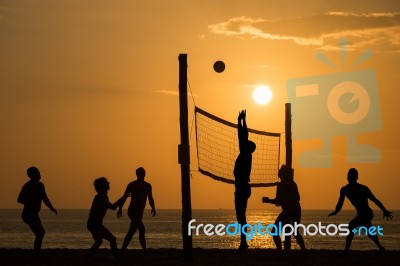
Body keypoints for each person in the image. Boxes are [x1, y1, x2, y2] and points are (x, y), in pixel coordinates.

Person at [329, 168, 393, 256]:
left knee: (352, 226)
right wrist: (336, 211)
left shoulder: (363, 188)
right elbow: (340, 203)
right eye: (348, 175)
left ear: (356, 177)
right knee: (366, 229)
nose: (349, 177)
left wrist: (384, 210)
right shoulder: (344, 189)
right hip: (360, 214)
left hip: (367, 213)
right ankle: (381, 248)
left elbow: (375, 200)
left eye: (351, 176)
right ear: (347, 177)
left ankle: (346, 251)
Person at [262, 165, 306, 253]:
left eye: (281, 170)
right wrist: (270, 200)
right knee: (276, 232)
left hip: (294, 210)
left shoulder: (291, 184)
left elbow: (297, 198)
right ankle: (281, 252)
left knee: (294, 232)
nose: (279, 171)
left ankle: (303, 252)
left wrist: (270, 200)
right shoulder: (280, 185)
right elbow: (278, 201)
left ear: (285, 173)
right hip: (287, 211)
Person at [17, 166, 57, 257]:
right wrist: (29, 201)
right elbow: (19, 199)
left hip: (33, 214)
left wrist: (51, 208)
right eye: (38, 172)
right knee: (40, 233)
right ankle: (36, 254)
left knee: (40, 233)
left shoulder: (40, 185)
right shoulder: (28, 185)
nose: (40, 174)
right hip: (28, 214)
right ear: (33, 175)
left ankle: (36, 253)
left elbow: (45, 198)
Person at [117, 167, 156, 254]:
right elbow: (124, 197)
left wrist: (153, 207)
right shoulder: (131, 185)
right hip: (132, 211)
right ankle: (144, 250)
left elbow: (150, 198)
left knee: (132, 230)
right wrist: (120, 209)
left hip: (139, 212)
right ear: (137, 174)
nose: (142, 175)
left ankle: (123, 250)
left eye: (143, 173)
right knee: (141, 229)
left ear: (145, 174)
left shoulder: (147, 186)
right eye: (140, 173)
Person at [234, 110, 256, 253]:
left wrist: (241, 121)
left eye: (245, 143)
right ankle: (243, 242)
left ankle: (244, 243)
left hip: (243, 188)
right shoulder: (246, 154)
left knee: (241, 216)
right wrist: (241, 121)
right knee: (241, 216)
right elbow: (243, 136)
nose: (243, 143)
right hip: (242, 188)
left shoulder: (246, 154)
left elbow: (243, 135)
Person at [87, 177, 127, 256]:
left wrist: (123, 198)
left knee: (100, 241)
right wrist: (124, 197)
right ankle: (116, 257)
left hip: (96, 224)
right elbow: (113, 207)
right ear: (102, 186)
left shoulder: (104, 196)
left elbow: (112, 206)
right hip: (94, 224)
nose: (109, 183)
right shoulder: (100, 198)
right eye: (106, 183)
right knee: (110, 240)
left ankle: (88, 255)